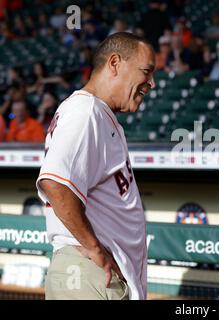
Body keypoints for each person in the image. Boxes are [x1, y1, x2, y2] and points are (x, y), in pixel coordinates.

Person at [36, 32, 156, 300]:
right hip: (86, 273)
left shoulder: (96, 113)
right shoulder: (86, 111)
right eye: (146, 72)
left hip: (91, 273)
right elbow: (55, 183)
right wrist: (94, 249)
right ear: (115, 63)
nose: (152, 83)